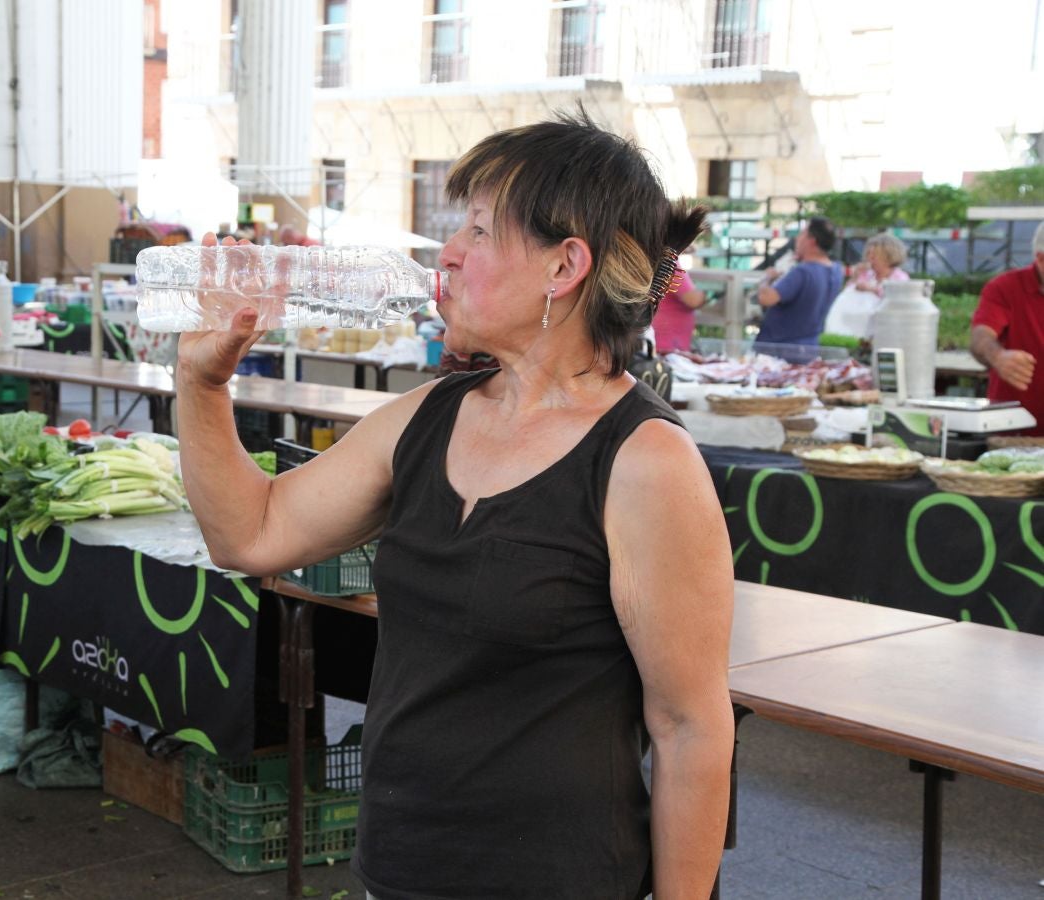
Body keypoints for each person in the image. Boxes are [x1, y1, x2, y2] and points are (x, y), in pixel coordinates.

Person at [176, 109, 734, 898]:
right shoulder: (429, 416)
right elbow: (250, 533)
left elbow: (690, 729)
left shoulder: (645, 461)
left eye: (478, 229)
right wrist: (202, 386)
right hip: (402, 868)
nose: (450, 253)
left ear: (564, 264)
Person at [970, 221, 1044, 437]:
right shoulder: (1005, 288)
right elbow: (980, 336)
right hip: (1012, 433)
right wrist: (998, 356)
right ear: (1040, 260)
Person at [755, 216, 844, 350]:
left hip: (780, 352)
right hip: (809, 347)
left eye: (802, 234)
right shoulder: (836, 270)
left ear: (812, 241)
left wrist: (767, 278)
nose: (797, 238)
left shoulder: (803, 272)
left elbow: (766, 298)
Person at [824, 232, 910, 338]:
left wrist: (872, 289)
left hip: (886, 329)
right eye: (868, 255)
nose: (869, 259)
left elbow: (896, 299)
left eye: (874, 256)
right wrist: (855, 277)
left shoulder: (899, 277)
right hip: (860, 326)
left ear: (889, 257)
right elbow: (848, 295)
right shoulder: (868, 274)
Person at [649, 266, 707, 352]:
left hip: (662, 343)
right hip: (666, 347)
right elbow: (694, 300)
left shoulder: (664, 262)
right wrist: (710, 294)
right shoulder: (670, 263)